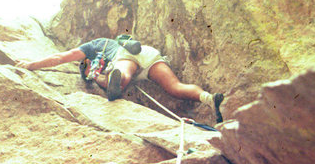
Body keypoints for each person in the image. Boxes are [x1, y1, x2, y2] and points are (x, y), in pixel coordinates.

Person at [15, 37, 224, 123]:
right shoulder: (108, 44)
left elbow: (60, 58)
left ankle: (118, 81)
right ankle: (209, 99)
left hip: (125, 57)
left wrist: (30, 65)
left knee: (120, 76)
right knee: (175, 87)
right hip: (146, 53)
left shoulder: (92, 47)